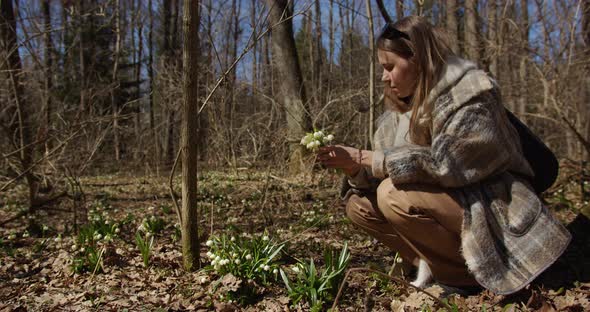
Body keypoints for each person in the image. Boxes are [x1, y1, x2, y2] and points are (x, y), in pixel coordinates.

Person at [316, 15, 571, 296]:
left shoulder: (471, 94)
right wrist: (353, 168)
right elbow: (383, 172)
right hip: (452, 207)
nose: (383, 76)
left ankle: (469, 276)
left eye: (390, 67)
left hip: (494, 205)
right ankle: (441, 263)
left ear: (417, 59)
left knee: (393, 194)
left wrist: (367, 157)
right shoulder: (393, 119)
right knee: (360, 206)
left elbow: (448, 164)